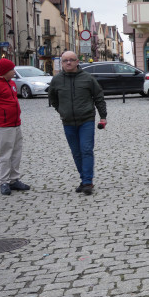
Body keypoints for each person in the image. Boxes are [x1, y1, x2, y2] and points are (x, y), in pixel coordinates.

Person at [48, 51, 106, 195]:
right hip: (68, 122)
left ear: (77, 62)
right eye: (65, 60)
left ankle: (87, 182)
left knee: (86, 150)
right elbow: (53, 98)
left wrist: (103, 116)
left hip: (86, 120)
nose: (68, 62)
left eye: (71, 60)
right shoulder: (57, 80)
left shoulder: (87, 78)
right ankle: (84, 179)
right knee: (76, 153)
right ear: (62, 63)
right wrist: (62, 111)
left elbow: (98, 97)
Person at [0, 59, 29, 196]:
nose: (14, 72)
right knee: (4, 154)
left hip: (15, 123)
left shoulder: (12, 83)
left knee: (16, 153)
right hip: (3, 126)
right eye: (11, 69)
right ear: (4, 71)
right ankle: (3, 181)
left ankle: (14, 180)